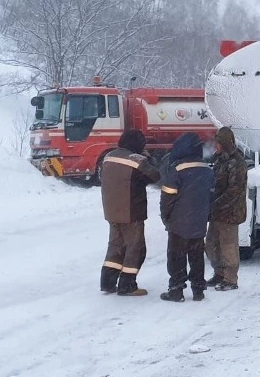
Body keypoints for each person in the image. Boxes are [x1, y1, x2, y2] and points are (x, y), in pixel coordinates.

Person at [100, 130, 161, 296]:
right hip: (131, 210)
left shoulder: (109, 156)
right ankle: (127, 285)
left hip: (112, 210)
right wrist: (148, 157)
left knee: (116, 246)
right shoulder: (136, 159)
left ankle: (107, 281)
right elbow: (155, 175)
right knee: (136, 247)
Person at [160, 133, 216, 302]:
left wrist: (166, 217)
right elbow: (212, 196)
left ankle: (176, 290)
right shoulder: (207, 170)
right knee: (196, 256)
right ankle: (198, 290)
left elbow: (167, 198)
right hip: (198, 222)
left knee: (176, 257)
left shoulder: (176, 170)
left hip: (179, 222)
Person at [205, 127, 248, 291]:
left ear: (224, 143)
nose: (215, 145)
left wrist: (216, 203)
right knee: (212, 243)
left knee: (228, 245)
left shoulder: (237, 162)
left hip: (230, 212)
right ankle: (219, 273)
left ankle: (230, 279)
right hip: (217, 211)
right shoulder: (220, 160)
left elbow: (234, 190)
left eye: (218, 142)